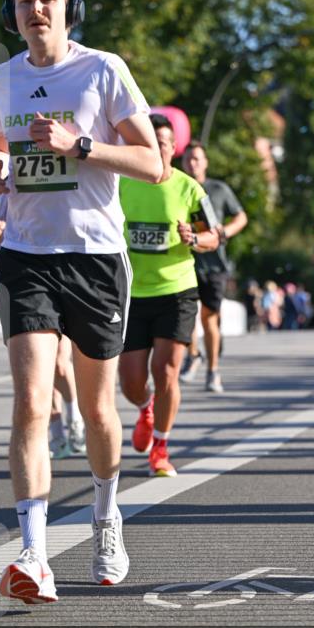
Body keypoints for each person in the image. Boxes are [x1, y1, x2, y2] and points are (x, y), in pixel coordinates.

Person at [0, 0, 161, 604]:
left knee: (98, 409)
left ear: (67, 9)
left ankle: (107, 516)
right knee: (31, 402)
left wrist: (80, 144)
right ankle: (33, 553)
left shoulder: (103, 69)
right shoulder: (3, 76)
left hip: (96, 257)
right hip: (28, 253)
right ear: (14, 12)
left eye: (47, 0)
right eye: (24, 0)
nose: (36, 10)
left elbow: (152, 164)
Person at [119, 116, 219, 477]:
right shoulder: (121, 184)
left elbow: (215, 236)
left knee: (165, 371)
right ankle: (145, 407)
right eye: (152, 140)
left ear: (173, 147)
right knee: (130, 381)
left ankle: (160, 448)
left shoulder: (190, 189)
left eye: (164, 141)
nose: (158, 146)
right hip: (131, 293)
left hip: (176, 290)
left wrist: (194, 238)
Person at [0, 192, 85, 459]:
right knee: (38, 370)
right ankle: (56, 435)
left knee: (59, 365)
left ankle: (75, 416)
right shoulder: (11, 181)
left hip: (65, 274)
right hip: (29, 278)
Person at [180, 141, 247, 392]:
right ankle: (193, 355)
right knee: (186, 315)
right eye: (188, 159)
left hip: (215, 263)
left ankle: (212, 370)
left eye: (197, 158)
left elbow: (241, 216)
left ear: (206, 162)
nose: (192, 163)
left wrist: (225, 232)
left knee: (209, 318)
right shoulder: (179, 187)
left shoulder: (219, 189)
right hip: (185, 260)